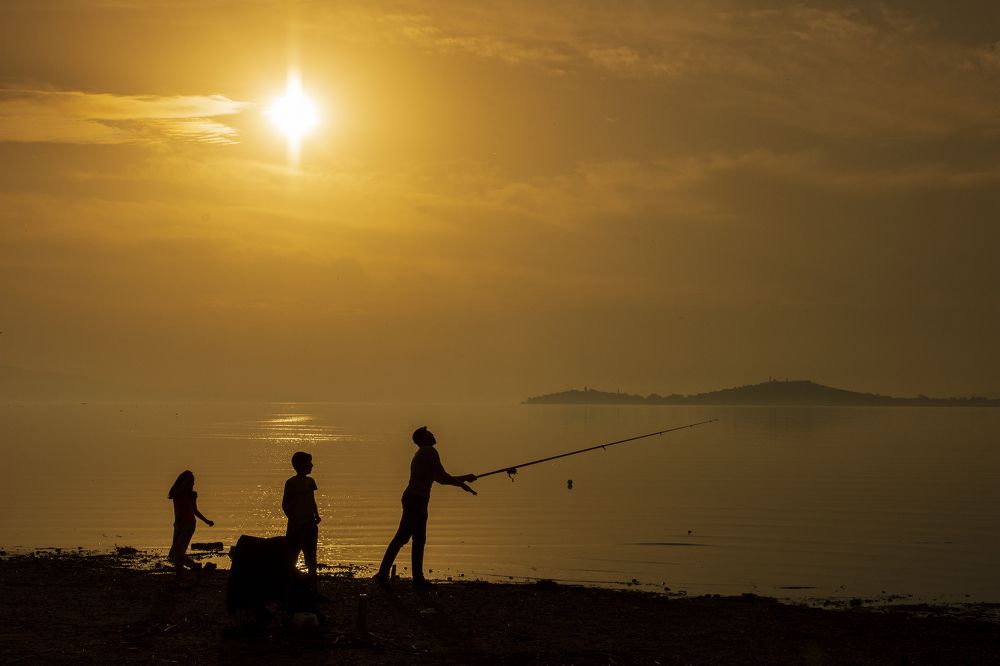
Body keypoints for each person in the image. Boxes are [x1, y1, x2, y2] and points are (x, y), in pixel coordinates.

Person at [373, 426, 477, 589]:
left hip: (416, 498)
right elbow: (443, 477)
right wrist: (462, 485)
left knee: (418, 539)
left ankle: (417, 578)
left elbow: (439, 478)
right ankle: (383, 574)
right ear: (423, 438)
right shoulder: (430, 451)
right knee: (403, 537)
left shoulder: (423, 454)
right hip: (416, 499)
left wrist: (464, 479)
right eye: (429, 433)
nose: (433, 434)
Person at [282, 451, 321, 592]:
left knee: (312, 559)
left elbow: (312, 500)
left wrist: (316, 514)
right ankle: (290, 588)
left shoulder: (311, 482)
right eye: (309, 463)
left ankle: (313, 589)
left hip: (310, 524)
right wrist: (294, 520)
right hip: (296, 527)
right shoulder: (291, 483)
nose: (312, 465)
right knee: (292, 557)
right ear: (300, 466)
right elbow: (285, 505)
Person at [167, 470, 214, 581]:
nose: (193, 484)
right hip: (178, 525)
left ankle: (193, 568)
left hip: (188, 525)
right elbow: (172, 493)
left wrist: (206, 521)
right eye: (190, 482)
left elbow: (194, 510)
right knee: (175, 553)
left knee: (178, 552)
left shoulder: (192, 495)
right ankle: (181, 575)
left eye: (192, 482)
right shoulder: (176, 492)